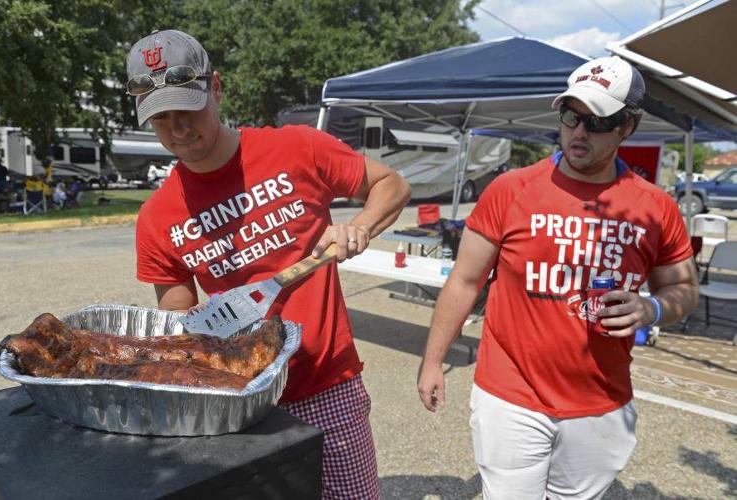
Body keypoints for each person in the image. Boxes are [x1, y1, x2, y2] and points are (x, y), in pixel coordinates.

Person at [127, 29, 410, 498]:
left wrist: (358, 226)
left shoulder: (297, 148)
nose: (178, 129)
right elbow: (179, 314)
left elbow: (392, 185)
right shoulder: (157, 217)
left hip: (326, 384)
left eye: (187, 109)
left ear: (216, 88)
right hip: (237, 401)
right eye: (161, 118)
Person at [417, 56, 699, 499]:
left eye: (597, 121)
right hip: (510, 395)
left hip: (600, 402)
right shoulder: (511, 189)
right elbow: (465, 280)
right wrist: (433, 360)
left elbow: (683, 287)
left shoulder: (655, 208)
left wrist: (652, 308)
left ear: (627, 126)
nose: (579, 132)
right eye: (571, 116)